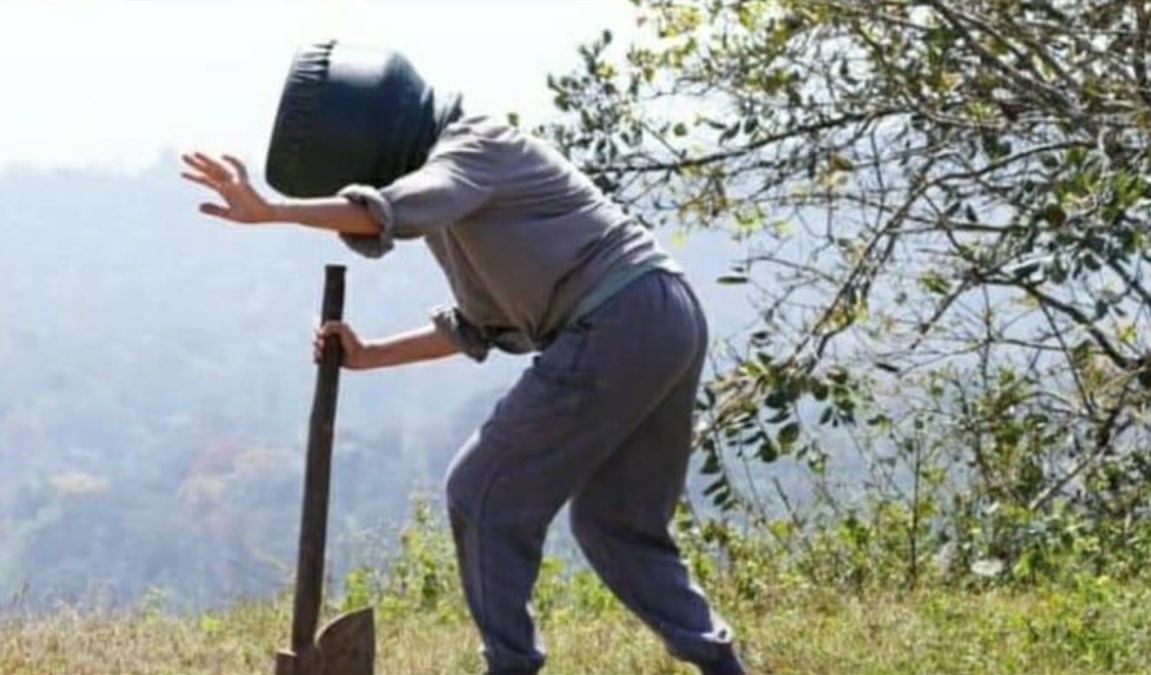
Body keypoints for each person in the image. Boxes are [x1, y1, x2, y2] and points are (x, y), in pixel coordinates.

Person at [181, 41, 747, 675]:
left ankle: (510, 665)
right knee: (615, 523)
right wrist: (369, 355)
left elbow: (388, 214)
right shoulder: (458, 203)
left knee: (481, 493)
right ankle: (723, 666)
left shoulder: (476, 145)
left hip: (617, 318)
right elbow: (479, 325)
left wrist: (273, 212)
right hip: (658, 316)